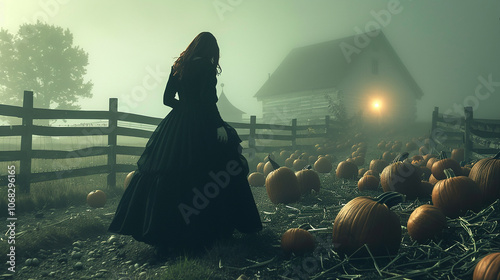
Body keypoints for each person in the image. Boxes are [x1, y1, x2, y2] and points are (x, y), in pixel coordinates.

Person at [108, 32, 262, 253]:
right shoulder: (207, 68)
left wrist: (184, 110)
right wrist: (218, 125)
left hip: (177, 125)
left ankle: (168, 230)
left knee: (173, 172)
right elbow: (208, 101)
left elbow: (167, 99)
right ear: (211, 51)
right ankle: (209, 229)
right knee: (213, 172)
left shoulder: (178, 66)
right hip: (203, 124)